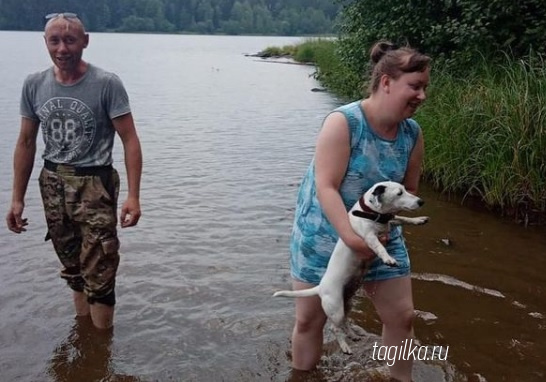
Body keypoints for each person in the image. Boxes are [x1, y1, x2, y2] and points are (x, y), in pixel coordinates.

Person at [288, 40, 430, 381]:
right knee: (311, 319)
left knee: (402, 316)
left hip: (381, 233)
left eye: (425, 88)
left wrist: (377, 234)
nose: (422, 96)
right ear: (386, 82)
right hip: (323, 235)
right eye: (415, 86)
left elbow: (409, 193)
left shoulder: (412, 135)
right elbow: (326, 187)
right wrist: (352, 239)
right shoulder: (344, 123)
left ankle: (399, 377)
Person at [5, 13, 142, 330]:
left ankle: (101, 349)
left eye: (70, 40)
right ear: (45, 43)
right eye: (54, 40)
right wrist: (16, 199)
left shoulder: (106, 83)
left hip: (95, 182)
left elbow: (130, 140)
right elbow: (26, 142)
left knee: (101, 270)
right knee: (73, 266)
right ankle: (85, 342)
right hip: (52, 182)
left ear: (85, 41)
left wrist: (133, 196)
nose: (62, 48)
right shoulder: (35, 84)